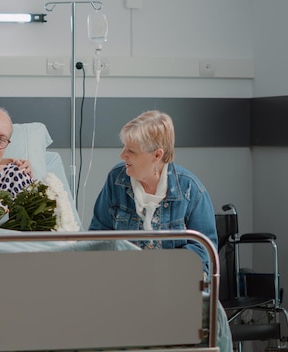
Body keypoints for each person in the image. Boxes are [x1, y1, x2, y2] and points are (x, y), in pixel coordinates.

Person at [88, 110, 232, 351]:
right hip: (121, 286)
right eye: (124, 148)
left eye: (131, 151)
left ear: (157, 155)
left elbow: (203, 251)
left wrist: (165, 277)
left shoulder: (191, 191)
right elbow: (97, 235)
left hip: (172, 288)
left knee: (207, 317)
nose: (123, 155)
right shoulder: (116, 181)